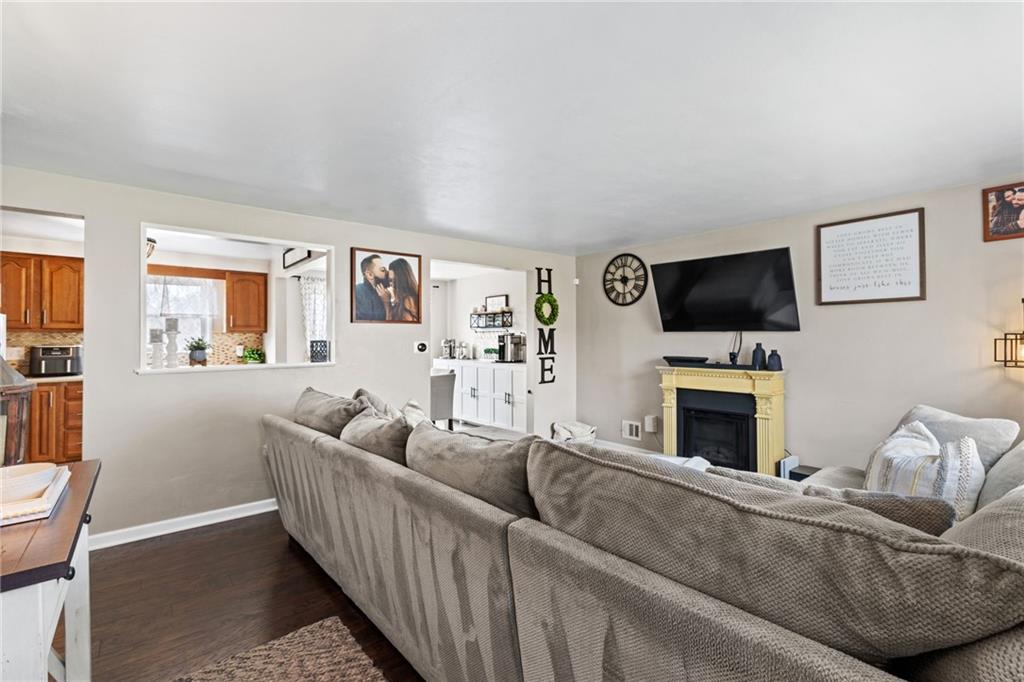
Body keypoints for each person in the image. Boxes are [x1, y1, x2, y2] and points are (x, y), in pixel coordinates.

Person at [354, 254, 392, 320]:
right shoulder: (356, 292)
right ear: (370, 274)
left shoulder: (386, 294)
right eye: (383, 270)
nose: (387, 274)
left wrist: (387, 303)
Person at [388, 258, 420, 322]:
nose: (391, 285)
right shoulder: (416, 297)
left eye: (394, 280)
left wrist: (386, 303)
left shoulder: (407, 301)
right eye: (390, 280)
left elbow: (390, 324)